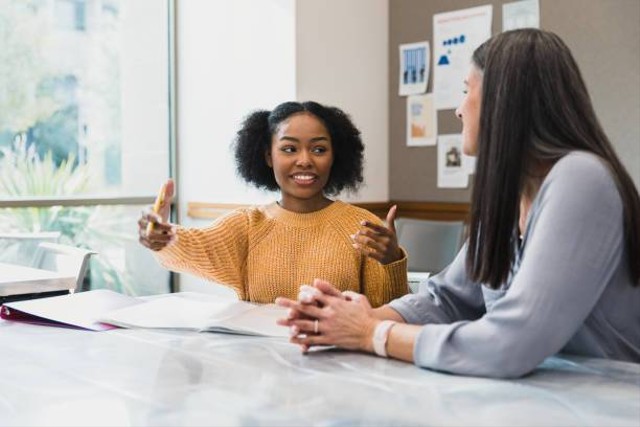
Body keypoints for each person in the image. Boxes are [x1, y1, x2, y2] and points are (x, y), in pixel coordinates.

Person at [277, 29, 640, 378]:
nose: (459, 110)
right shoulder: (510, 197)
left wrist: (371, 334)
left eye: (467, 90)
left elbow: (511, 344)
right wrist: (349, 317)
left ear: (503, 101)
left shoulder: (582, 178)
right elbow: (447, 299)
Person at [138, 101, 408, 306]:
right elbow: (195, 245)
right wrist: (164, 237)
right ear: (268, 156)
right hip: (260, 369)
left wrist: (391, 262)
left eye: (319, 149)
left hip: (340, 366)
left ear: (335, 156)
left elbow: (390, 313)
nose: (305, 160)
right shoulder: (247, 225)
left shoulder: (363, 226)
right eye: (289, 149)